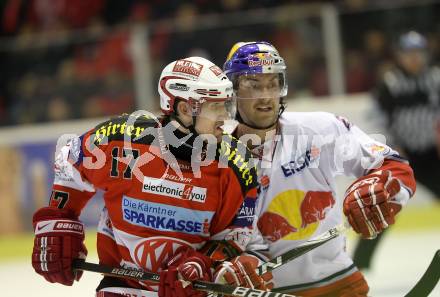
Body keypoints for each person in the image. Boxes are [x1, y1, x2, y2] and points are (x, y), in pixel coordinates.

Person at [31, 56, 272, 297]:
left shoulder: (237, 164)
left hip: (187, 291)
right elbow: (70, 158)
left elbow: (236, 233)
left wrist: (202, 264)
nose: (224, 118)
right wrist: (59, 220)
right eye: (214, 106)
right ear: (184, 108)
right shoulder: (123, 139)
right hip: (123, 286)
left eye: (225, 105)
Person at [223, 41, 416, 296]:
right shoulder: (215, 158)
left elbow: (395, 166)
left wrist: (378, 189)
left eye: (273, 84)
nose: (266, 96)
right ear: (232, 90)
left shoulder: (320, 129)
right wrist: (224, 265)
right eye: (253, 85)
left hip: (337, 283)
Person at [352, 31, 440, 270]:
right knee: (383, 205)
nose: (414, 59)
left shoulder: (435, 79)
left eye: (418, 54)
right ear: (399, 56)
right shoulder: (390, 84)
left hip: (431, 155)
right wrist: (390, 146)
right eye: (408, 54)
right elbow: (374, 119)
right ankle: (359, 263)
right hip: (400, 158)